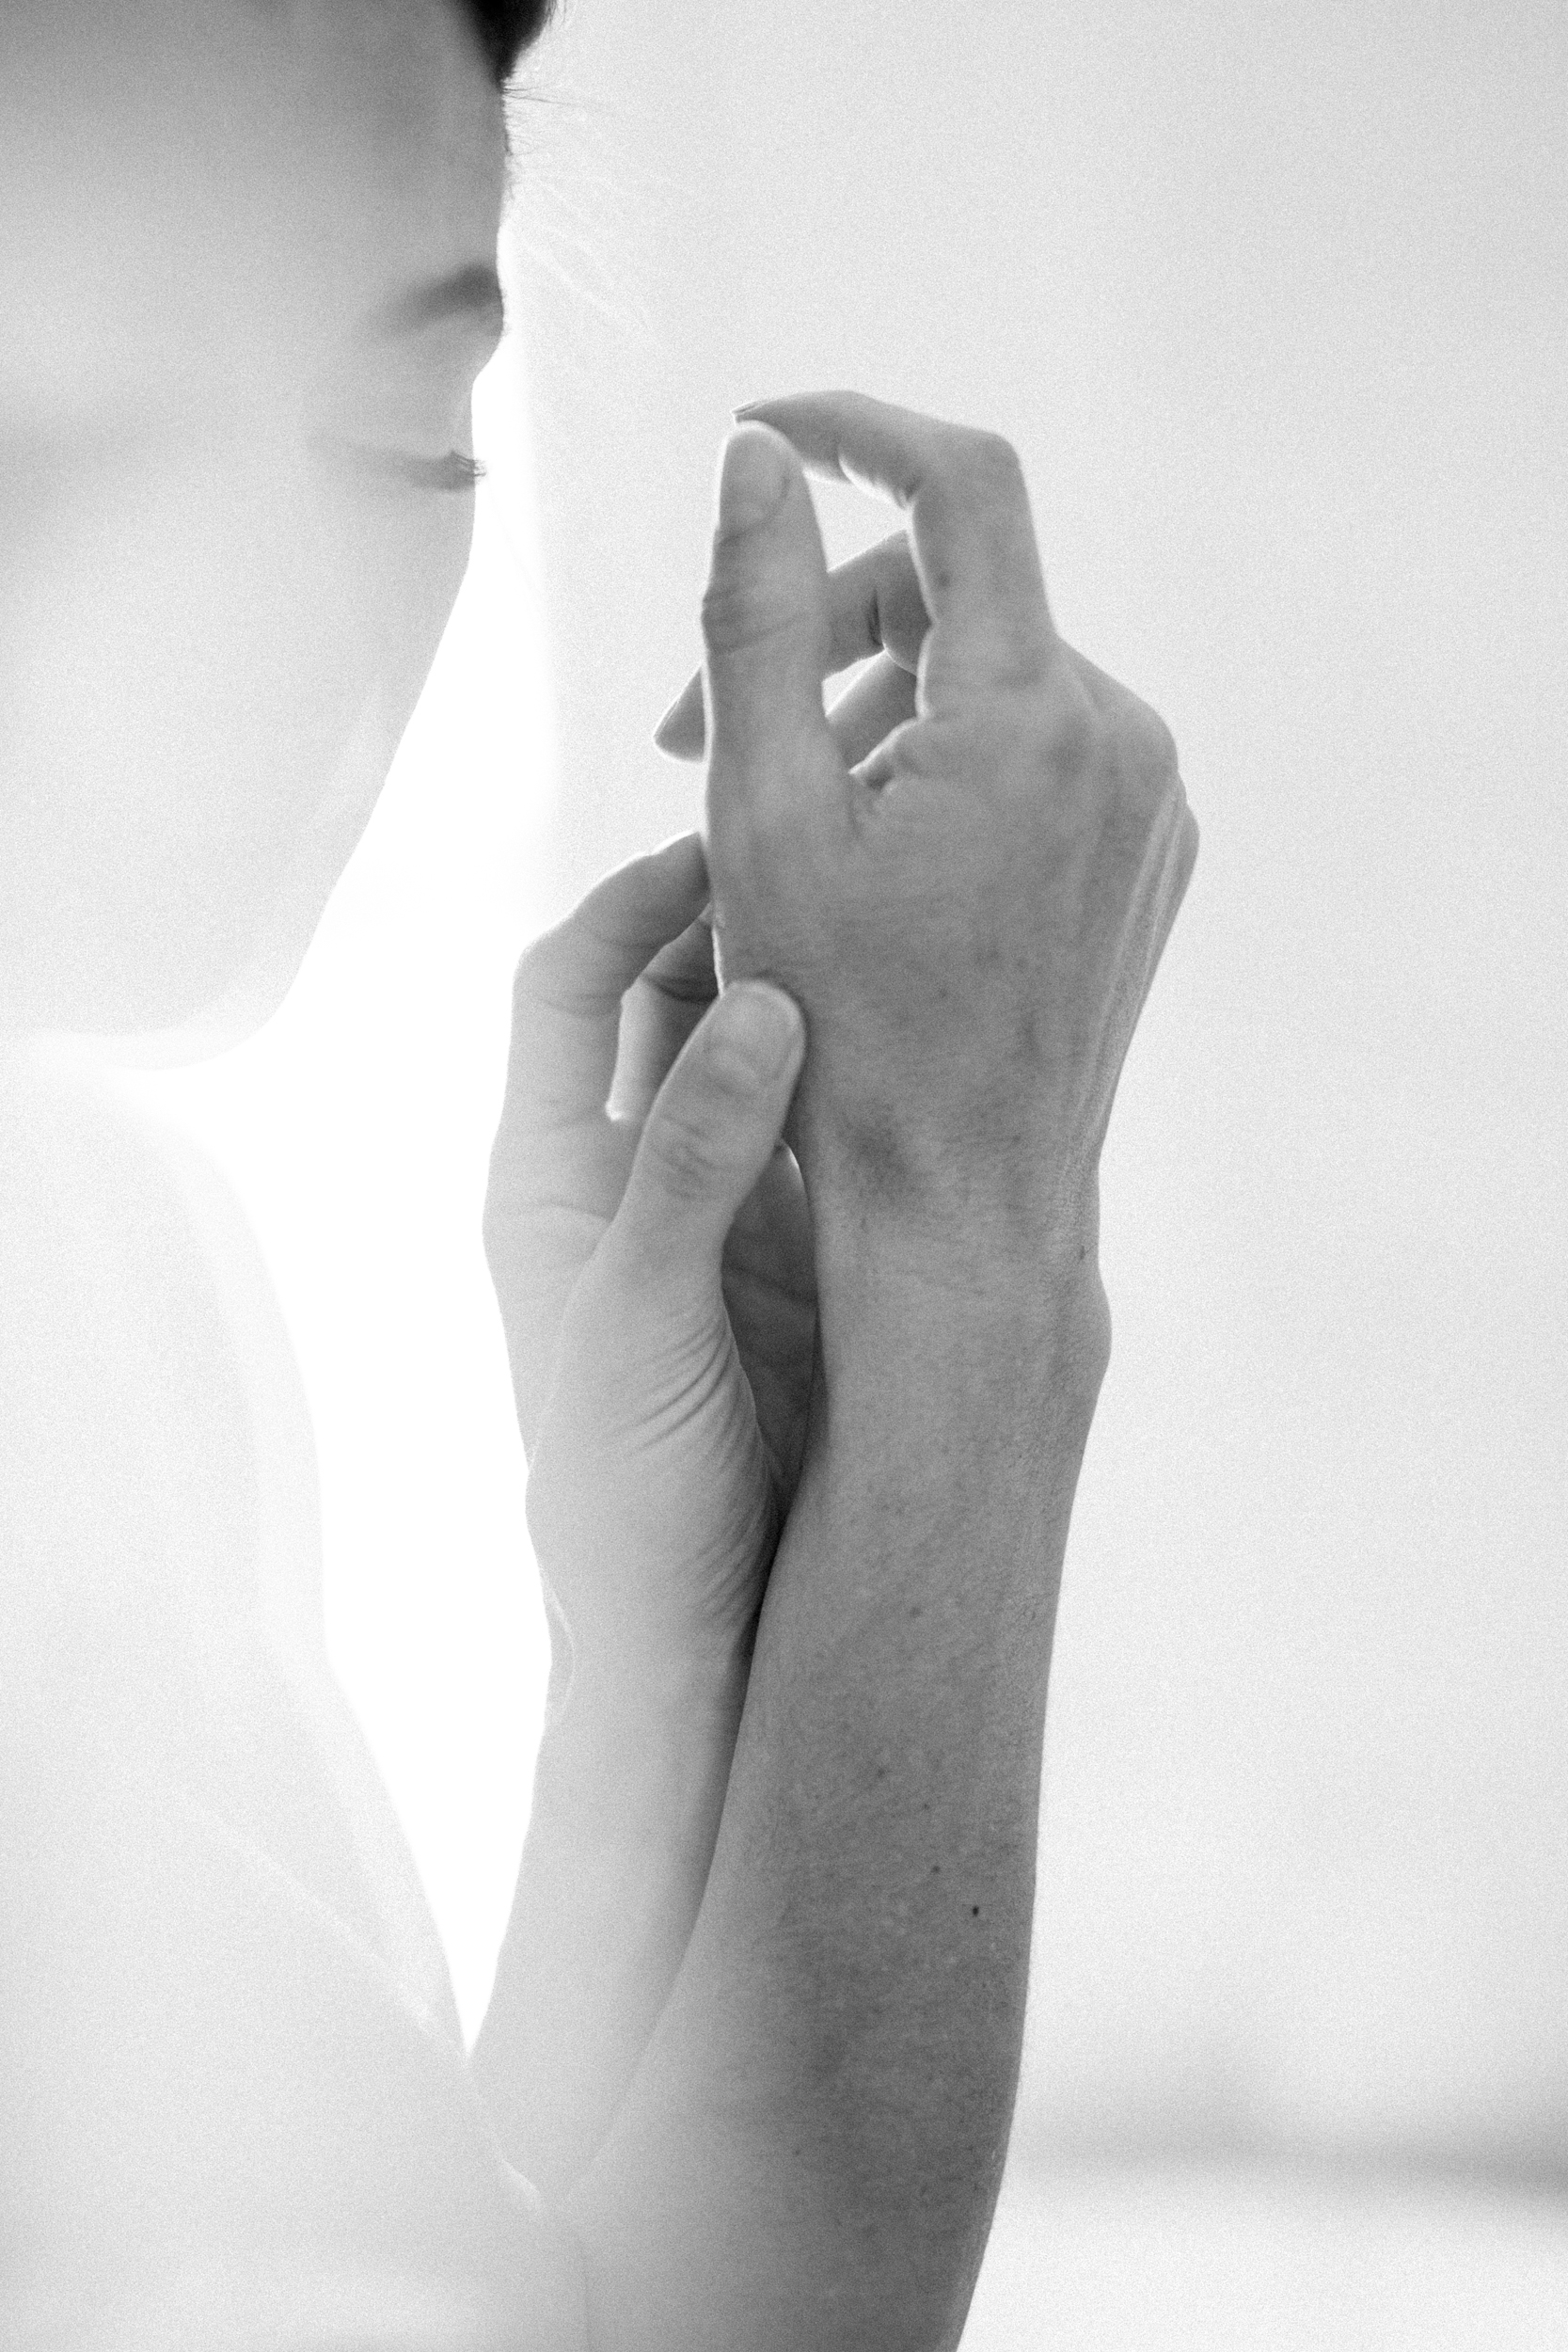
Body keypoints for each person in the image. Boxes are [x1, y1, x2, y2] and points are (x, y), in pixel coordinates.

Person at [0, 2, 1198, 2345]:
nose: (286, 620)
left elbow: (488, 2272)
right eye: (60, 424)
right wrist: (967, 1241)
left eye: (406, 429)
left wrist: (680, 1633)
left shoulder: (102, 1260)